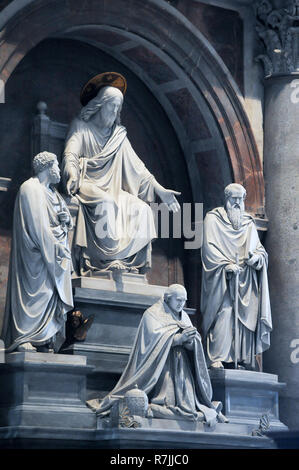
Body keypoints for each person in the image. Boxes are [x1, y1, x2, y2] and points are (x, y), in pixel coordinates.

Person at [62, 72, 180, 275]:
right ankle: (103, 263)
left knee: (141, 209)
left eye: (118, 107)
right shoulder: (81, 127)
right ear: (101, 104)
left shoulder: (119, 136)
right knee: (106, 203)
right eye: (112, 105)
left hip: (114, 189)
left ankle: (127, 266)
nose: (115, 111)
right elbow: (70, 154)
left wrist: (161, 191)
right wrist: (72, 173)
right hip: (89, 184)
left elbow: (139, 169)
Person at [87, 284, 225, 426]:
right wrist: (177, 339)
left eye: (184, 301)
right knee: (165, 397)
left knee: (189, 404)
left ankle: (182, 409)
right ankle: (158, 407)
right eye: (178, 300)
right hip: (160, 367)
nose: (181, 304)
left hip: (182, 367)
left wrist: (191, 341)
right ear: (167, 298)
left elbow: (192, 342)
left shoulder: (184, 316)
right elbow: (151, 342)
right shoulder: (152, 314)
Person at [1, 152, 73, 353]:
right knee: (32, 294)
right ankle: (24, 336)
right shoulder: (30, 189)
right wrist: (56, 247)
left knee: (49, 292)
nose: (59, 171)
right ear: (48, 167)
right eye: (57, 166)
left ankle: (44, 338)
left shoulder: (53, 193)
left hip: (52, 255)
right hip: (34, 255)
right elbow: (38, 227)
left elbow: (63, 222)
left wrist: (65, 224)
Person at [200, 183, 272, 369]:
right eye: (234, 199)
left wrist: (256, 259)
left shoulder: (248, 223)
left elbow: (259, 250)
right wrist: (226, 266)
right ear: (226, 198)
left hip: (246, 280)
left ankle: (241, 358)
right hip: (222, 279)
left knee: (244, 318)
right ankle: (217, 356)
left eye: (241, 199)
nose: (238, 203)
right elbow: (209, 249)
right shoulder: (213, 219)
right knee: (224, 314)